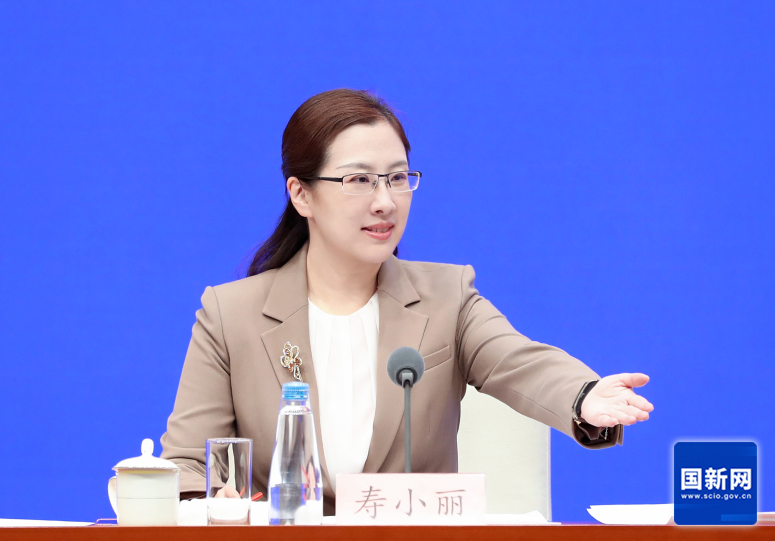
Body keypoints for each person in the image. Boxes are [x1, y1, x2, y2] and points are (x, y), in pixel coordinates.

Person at [160, 89, 654, 514]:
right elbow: (186, 465)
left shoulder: (447, 298)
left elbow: (519, 361)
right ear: (301, 195)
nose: (385, 202)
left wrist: (582, 396)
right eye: (359, 180)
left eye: (397, 178)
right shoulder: (231, 315)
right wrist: (210, 505)